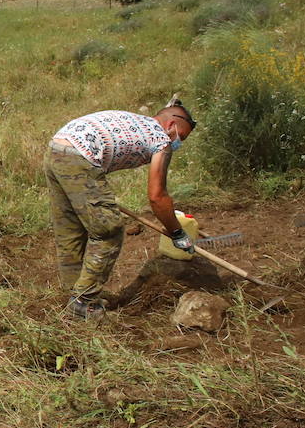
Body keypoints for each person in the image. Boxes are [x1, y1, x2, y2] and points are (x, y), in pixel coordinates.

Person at [45, 103, 196, 319]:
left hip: (57, 149)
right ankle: (83, 302)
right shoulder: (161, 140)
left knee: (71, 230)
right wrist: (177, 233)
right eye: (181, 136)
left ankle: (74, 294)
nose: (178, 142)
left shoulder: (138, 122)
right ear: (171, 125)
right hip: (80, 157)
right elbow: (157, 196)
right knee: (109, 231)